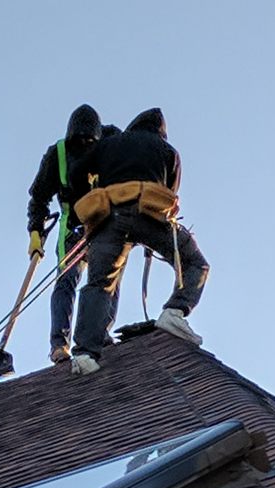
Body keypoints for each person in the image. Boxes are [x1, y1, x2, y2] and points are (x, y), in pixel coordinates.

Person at [68, 108, 209, 375]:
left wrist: (85, 201)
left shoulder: (108, 144)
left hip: (108, 219)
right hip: (148, 217)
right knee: (195, 263)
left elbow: (77, 173)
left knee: (100, 283)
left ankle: (85, 354)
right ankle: (175, 311)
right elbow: (170, 193)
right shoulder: (167, 151)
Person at [27, 105, 118, 362]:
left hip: (105, 220)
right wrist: (35, 230)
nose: (85, 146)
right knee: (67, 279)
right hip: (73, 224)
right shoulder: (58, 155)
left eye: (90, 142)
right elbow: (39, 197)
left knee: (108, 277)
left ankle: (100, 331)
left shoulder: (113, 142)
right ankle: (59, 344)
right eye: (79, 142)